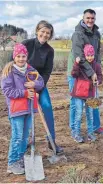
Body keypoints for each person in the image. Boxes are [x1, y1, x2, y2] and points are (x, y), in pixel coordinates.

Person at [20, 20, 63, 153]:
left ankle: (51, 141)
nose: (44, 35)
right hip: (22, 84)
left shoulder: (49, 50)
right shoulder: (26, 44)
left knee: (47, 107)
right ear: (37, 31)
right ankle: (23, 142)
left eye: (48, 33)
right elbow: (14, 64)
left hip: (39, 84)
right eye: (42, 31)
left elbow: (46, 72)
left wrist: (37, 87)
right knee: (24, 112)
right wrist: (25, 86)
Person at [1, 44, 44, 174]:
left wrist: (34, 84)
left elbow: (41, 82)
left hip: (29, 108)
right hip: (17, 109)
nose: (21, 59)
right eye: (18, 56)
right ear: (14, 57)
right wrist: (24, 93)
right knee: (17, 136)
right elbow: (7, 90)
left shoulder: (30, 69)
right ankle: (12, 162)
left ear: (27, 56)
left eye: (23, 56)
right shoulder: (9, 71)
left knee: (25, 136)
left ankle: (20, 159)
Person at [67, 9, 103, 136]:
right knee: (76, 103)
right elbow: (79, 56)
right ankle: (74, 129)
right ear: (83, 18)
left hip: (92, 72)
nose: (90, 20)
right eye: (88, 18)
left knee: (94, 99)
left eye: (92, 18)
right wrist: (91, 72)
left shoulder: (96, 33)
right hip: (77, 73)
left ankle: (96, 127)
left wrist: (97, 69)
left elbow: (97, 53)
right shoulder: (78, 34)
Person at [71, 44, 103, 143]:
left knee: (90, 114)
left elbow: (100, 76)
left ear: (94, 55)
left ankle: (90, 133)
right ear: (84, 55)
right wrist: (76, 64)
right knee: (79, 114)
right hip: (79, 94)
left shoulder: (96, 65)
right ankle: (76, 133)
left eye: (91, 55)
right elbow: (73, 74)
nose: (90, 57)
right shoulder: (80, 64)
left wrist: (98, 81)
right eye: (88, 55)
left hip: (90, 95)